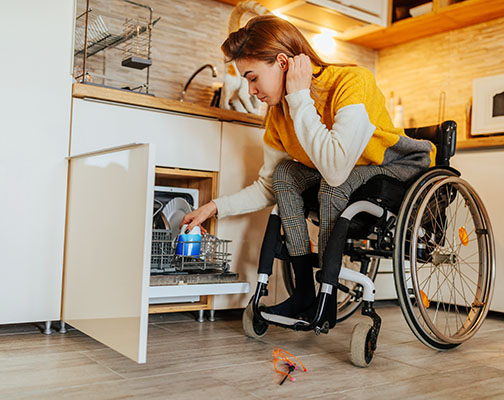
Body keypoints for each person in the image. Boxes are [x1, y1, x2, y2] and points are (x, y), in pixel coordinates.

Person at [181, 15, 436, 320]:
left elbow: (336, 170)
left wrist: (300, 97)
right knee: (285, 173)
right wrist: (213, 206)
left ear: (282, 63)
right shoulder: (278, 115)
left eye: (253, 77)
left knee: (333, 182)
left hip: (397, 168)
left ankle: (327, 295)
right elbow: (268, 187)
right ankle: (304, 292)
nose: (251, 90)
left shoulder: (351, 82)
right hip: (349, 173)